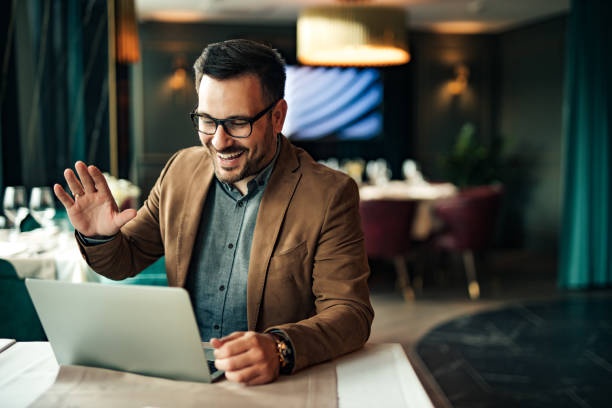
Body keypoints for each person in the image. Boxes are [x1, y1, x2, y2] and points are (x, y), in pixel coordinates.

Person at [54, 39, 373, 386]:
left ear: (278, 116)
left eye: (238, 123)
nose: (219, 141)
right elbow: (124, 260)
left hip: (274, 385)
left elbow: (350, 313)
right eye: (207, 120)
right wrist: (99, 236)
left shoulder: (329, 194)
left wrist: (280, 347)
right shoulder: (180, 170)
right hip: (185, 375)